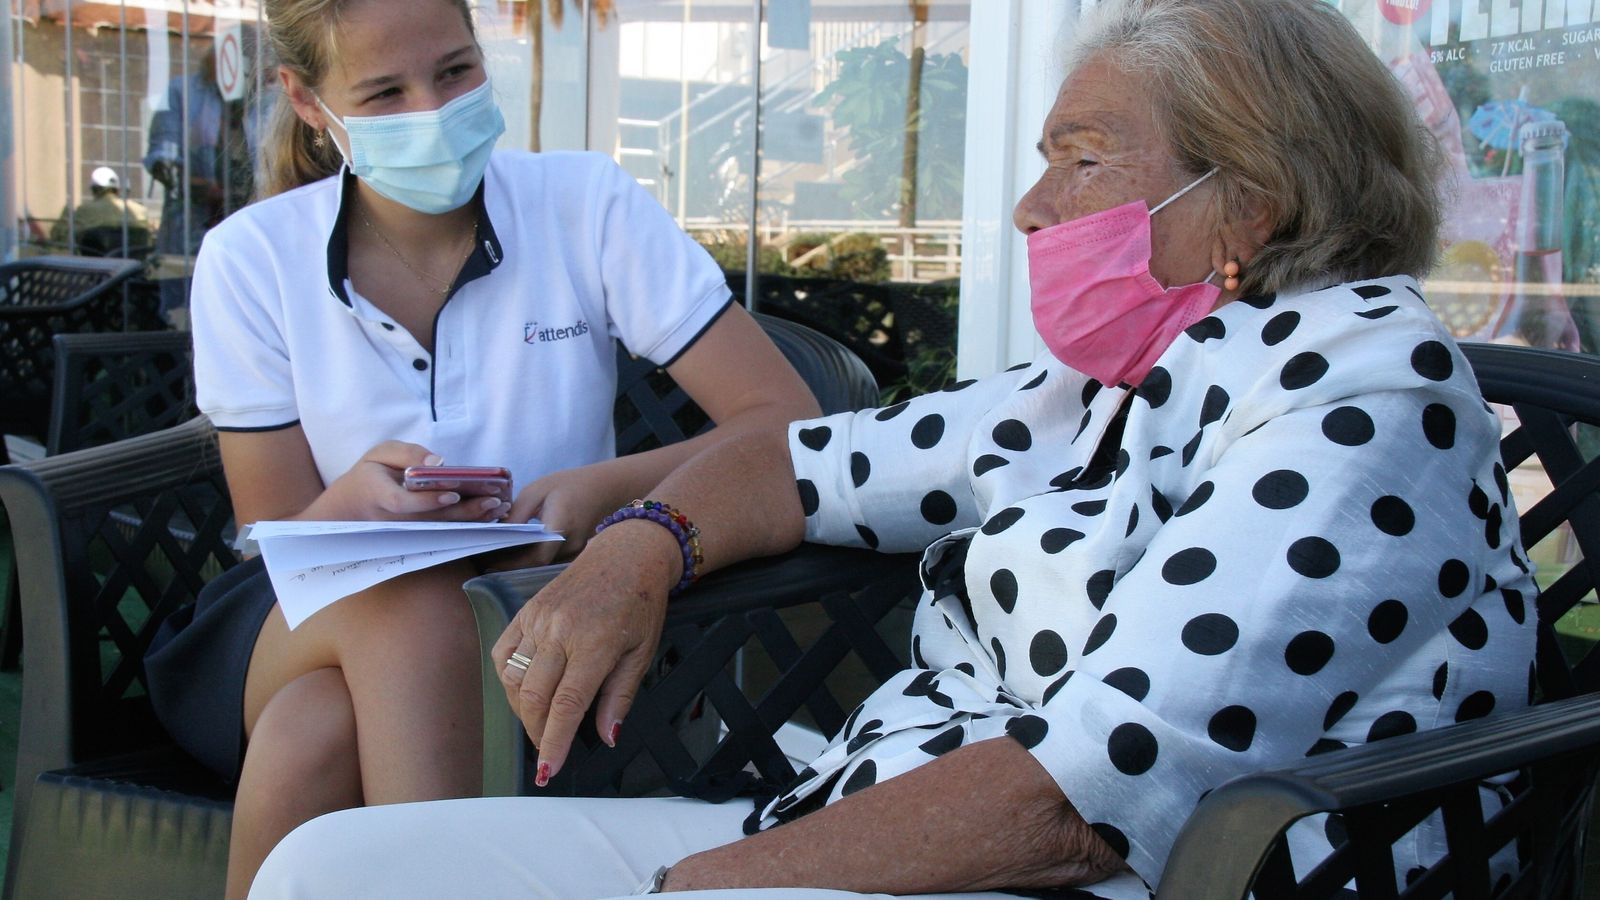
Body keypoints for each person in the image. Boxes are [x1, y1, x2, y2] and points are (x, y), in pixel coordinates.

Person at [249, 0, 1539, 897]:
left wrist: (697, 884)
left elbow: (1077, 803)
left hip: (1105, 877)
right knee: (330, 870)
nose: (1034, 205)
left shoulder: (1360, 395)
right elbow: (804, 462)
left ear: (1247, 204)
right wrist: (642, 544)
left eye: (1081, 162)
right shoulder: (1107, 376)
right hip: (844, 825)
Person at [139, 1, 821, 898]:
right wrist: (354, 502)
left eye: (456, 72)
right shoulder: (252, 258)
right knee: (411, 602)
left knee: (313, 731)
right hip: (290, 626)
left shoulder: (584, 204)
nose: (432, 109)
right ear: (308, 102)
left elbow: (786, 417)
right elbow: (272, 531)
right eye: (385, 92)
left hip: (543, 610)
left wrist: (600, 493)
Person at [143, 44, 261, 327]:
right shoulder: (181, 92)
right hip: (192, 221)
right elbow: (164, 150)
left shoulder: (261, 98)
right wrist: (180, 176)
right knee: (185, 309)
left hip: (246, 218)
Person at [48, 166, 151, 255]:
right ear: (118, 190)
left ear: (94, 190)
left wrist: (66, 217)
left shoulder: (85, 210)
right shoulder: (140, 210)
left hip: (97, 268)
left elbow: (62, 240)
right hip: (133, 268)